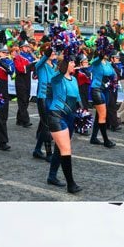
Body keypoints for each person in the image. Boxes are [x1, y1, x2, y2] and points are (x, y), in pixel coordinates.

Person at [46, 54, 82, 193]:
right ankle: (71, 184)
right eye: (72, 62)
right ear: (65, 64)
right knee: (66, 149)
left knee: (60, 148)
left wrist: (82, 113)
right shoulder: (56, 79)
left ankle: (52, 176)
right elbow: (59, 74)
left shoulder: (74, 79)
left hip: (70, 117)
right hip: (57, 116)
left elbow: (78, 98)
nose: (74, 64)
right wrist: (66, 56)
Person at [88, 36, 117, 148]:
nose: (107, 54)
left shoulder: (108, 63)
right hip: (97, 89)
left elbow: (113, 74)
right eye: (106, 52)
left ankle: (94, 137)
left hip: (106, 90)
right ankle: (106, 140)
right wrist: (102, 51)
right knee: (103, 115)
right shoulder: (96, 61)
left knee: (99, 115)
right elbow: (96, 60)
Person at [12, 42, 35, 127]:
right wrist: (32, 64)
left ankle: (19, 119)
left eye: (27, 46)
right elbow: (21, 69)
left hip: (27, 79)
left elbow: (32, 68)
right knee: (22, 99)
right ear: (21, 48)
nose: (27, 48)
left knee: (26, 99)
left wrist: (34, 61)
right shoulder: (18, 57)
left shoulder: (29, 56)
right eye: (25, 47)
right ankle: (25, 120)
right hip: (20, 79)